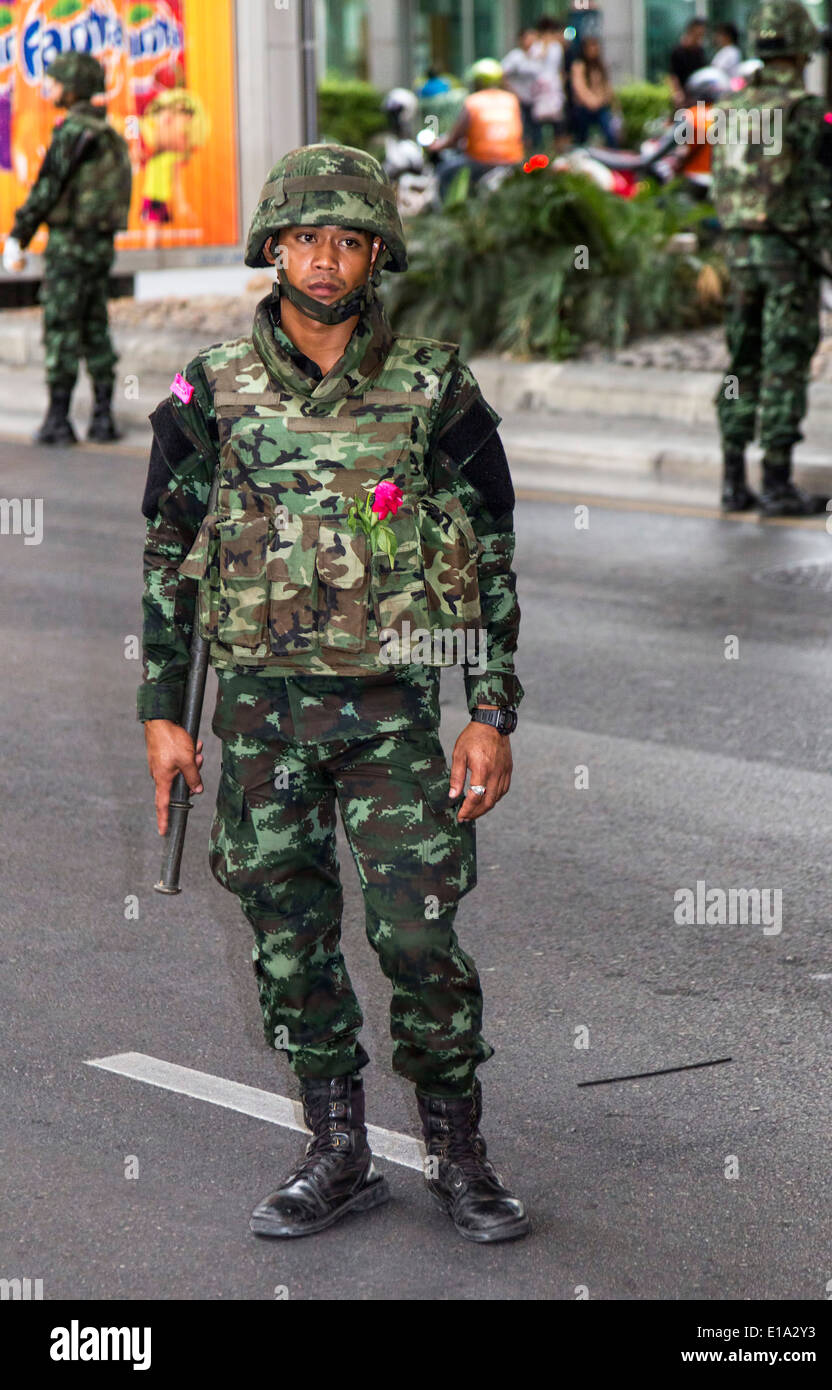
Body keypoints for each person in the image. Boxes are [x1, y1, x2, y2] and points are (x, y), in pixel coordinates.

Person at [138, 142, 530, 1245]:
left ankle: (459, 1151)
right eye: (305, 237)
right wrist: (165, 713)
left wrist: (489, 713)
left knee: (418, 936)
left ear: (375, 255)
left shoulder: (433, 386)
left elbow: (488, 554)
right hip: (258, 714)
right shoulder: (207, 388)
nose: (323, 260)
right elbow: (169, 555)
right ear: (273, 247)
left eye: (347, 240)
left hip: (394, 716)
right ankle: (338, 1152)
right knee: (288, 933)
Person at [711, 0, 832, 516]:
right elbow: (825, 206)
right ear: (801, 47)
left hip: (737, 253)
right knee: (783, 363)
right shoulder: (804, 111)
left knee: (741, 361)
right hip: (786, 257)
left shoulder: (729, 108)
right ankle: (776, 482)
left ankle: (733, 479)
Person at [2, 52, 131, 445]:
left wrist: (17, 235)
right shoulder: (106, 133)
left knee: (61, 326)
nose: (49, 88)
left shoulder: (73, 132)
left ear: (72, 86)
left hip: (69, 247)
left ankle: (58, 420)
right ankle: (103, 418)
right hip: (99, 248)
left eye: (55, 81)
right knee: (94, 325)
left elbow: (47, 187)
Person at [429, 59, 524, 198]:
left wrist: (436, 145)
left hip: (481, 160)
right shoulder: (512, 100)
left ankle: (447, 214)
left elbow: (455, 137)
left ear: (478, 82)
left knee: (444, 174)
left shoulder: (473, 101)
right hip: (513, 159)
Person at [568, 33, 618, 147]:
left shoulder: (600, 65)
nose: (594, 50)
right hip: (584, 108)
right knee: (582, 139)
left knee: (610, 135)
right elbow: (579, 87)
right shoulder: (579, 65)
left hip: (600, 106)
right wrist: (591, 101)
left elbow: (606, 86)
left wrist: (606, 99)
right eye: (591, 47)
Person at [529, 15, 570, 154]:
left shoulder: (557, 47)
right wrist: (545, 43)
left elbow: (559, 68)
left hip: (554, 90)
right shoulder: (536, 47)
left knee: (558, 125)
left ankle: (557, 153)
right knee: (538, 126)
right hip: (540, 90)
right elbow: (537, 60)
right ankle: (538, 153)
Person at [502, 26, 543, 153]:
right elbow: (502, 74)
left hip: (534, 100)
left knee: (536, 133)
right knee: (522, 132)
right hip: (520, 100)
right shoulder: (515, 56)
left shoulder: (536, 56)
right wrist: (512, 92)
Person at [668, 19, 708, 109]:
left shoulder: (700, 51)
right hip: (683, 96)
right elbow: (673, 75)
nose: (700, 37)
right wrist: (677, 92)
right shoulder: (678, 51)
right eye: (699, 34)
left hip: (697, 96)